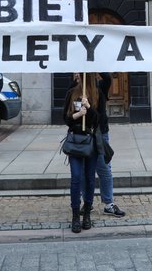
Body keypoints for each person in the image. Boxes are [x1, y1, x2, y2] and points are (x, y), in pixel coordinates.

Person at [73, 72, 126, 218]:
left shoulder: (100, 87)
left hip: (99, 134)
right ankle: (87, 202)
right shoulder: (76, 90)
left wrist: (95, 65)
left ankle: (108, 204)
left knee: (104, 168)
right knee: (84, 170)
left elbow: (108, 77)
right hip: (83, 135)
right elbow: (70, 111)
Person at [64, 72, 101, 233]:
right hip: (75, 141)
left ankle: (87, 213)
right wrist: (78, 114)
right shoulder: (72, 92)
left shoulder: (97, 93)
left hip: (90, 142)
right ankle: (75, 215)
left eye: (80, 72)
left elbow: (99, 120)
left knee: (90, 179)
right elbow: (65, 118)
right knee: (76, 177)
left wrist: (89, 108)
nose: (77, 75)